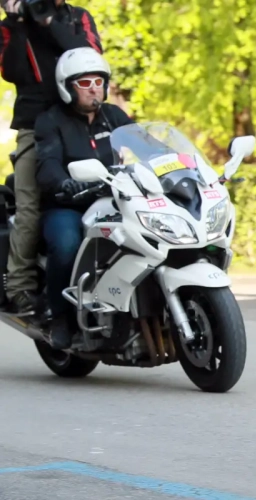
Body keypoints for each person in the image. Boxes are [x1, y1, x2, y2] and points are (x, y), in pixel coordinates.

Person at [0, 0, 103, 315]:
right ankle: (19, 288)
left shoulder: (78, 18)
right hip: (34, 124)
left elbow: (90, 58)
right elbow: (12, 71)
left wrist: (49, 23)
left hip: (80, 120)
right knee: (30, 207)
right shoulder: (10, 26)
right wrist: (17, 22)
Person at [34, 47, 132, 349]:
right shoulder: (50, 120)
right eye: (85, 83)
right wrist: (64, 183)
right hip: (68, 205)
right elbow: (47, 164)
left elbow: (144, 146)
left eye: (98, 82)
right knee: (66, 244)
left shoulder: (114, 116)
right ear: (67, 87)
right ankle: (60, 317)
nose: (94, 89)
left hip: (114, 201)